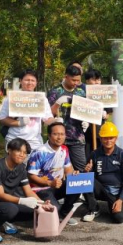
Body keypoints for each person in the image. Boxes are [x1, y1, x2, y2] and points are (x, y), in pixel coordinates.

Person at [47, 64, 93, 219]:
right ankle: (53, 205)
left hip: (77, 137)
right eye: (73, 80)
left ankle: (89, 207)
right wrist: (57, 104)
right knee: (56, 172)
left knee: (82, 173)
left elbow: (88, 110)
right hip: (58, 140)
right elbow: (47, 114)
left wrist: (87, 121)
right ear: (66, 76)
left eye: (78, 80)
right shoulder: (55, 91)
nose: (75, 83)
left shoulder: (81, 91)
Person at [0, 137, 54, 234]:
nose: (22, 155)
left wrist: (42, 203)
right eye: (18, 151)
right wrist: (22, 201)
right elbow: (0, 195)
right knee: (11, 209)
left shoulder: (21, 167)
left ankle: (4, 221)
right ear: (9, 150)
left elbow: (28, 191)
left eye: (24, 153)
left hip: (8, 201)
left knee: (35, 209)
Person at [85, 122, 123, 224]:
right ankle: (94, 208)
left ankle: (115, 203)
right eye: (105, 138)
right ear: (101, 139)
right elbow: (91, 177)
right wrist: (87, 171)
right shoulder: (94, 154)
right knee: (86, 179)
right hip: (101, 189)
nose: (108, 141)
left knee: (119, 218)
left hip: (116, 192)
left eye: (111, 138)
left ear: (116, 138)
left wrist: (120, 200)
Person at [0, 69, 53, 153]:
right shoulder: (11, 98)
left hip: (35, 141)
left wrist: (56, 121)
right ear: (20, 81)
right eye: (27, 80)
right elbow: (2, 119)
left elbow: (48, 118)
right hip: (14, 139)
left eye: (33, 80)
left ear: (36, 82)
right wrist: (19, 123)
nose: (30, 83)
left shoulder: (42, 99)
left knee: (34, 165)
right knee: (15, 165)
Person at [27, 121, 75, 213]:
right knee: (54, 210)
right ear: (49, 135)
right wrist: (50, 183)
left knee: (78, 185)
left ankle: (65, 212)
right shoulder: (39, 152)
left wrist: (75, 176)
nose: (59, 137)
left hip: (57, 186)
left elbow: (68, 169)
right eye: (55, 134)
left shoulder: (64, 149)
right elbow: (31, 176)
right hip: (40, 189)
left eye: (62, 134)